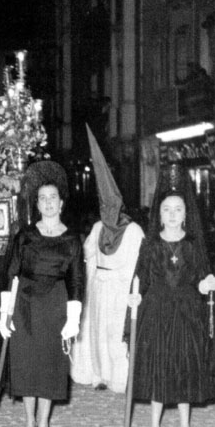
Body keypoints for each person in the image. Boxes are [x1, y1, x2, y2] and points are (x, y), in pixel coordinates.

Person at [126, 165, 215, 427]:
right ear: (159, 213)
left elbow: (203, 278)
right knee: (159, 364)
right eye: (166, 209)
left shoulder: (194, 245)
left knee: (184, 365)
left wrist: (207, 285)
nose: (172, 215)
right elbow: (139, 280)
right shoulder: (150, 245)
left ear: (186, 214)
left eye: (177, 209)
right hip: (156, 312)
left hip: (187, 312)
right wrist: (135, 296)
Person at [0, 161, 84, 427]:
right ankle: (28, 421)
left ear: (61, 204)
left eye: (53, 198)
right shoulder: (25, 236)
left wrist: (73, 320)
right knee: (26, 366)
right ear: (37, 204)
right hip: (25, 306)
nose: (48, 203)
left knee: (49, 367)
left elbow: (76, 282)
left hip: (55, 307)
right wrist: (4, 314)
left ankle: (44, 422)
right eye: (43, 199)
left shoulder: (72, 239)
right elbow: (11, 273)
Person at [72, 127, 144, 393]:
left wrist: (127, 288)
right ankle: (100, 374)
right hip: (100, 287)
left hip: (120, 289)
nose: (107, 212)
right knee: (98, 333)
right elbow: (89, 253)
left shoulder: (134, 230)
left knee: (117, 335)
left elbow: (138, 263)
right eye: (104, 208)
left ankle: (120, 377)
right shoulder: (97, 228)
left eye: (111, 207)